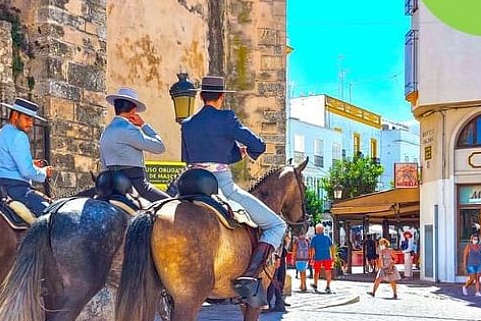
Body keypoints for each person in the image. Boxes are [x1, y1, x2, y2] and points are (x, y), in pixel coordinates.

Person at [181, 75, 286, 302]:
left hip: (190, 184)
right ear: (220, 98)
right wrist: (250, 151)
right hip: (221, 185)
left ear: (200, 96)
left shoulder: (187, 124)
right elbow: (258, 144)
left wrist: (235, 153)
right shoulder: (227, 118)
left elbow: (187, 157)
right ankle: (249, 276)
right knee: (277, 224)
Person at [0, 97, 53, 217]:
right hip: (16, 191)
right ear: (15, 115)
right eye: (27, 119)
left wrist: (31, 163)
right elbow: (27, 171)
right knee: (52, 215)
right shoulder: (19, 136)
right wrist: (43, 172)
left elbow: (5, 163)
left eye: (32, 120)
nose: (31, 124)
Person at [99, 87, 169, 202]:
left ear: (116, 107)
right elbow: (159, 147)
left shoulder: (106, 132)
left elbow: (104, 162)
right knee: (172, 204)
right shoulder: (129, 129)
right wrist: (143, 125)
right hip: (135, 184)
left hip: (108, 183)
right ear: (133, 111)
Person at [309, 223, 335, 293]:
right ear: (323, 230)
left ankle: (315, 284)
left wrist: (311, 258)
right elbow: (332, 247)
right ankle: (328, 286)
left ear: (316, 230)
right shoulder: (327, 237)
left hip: (318, 257)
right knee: (328, 271)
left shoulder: (314, 238)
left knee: (316, 272)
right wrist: (333, 257)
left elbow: (312, 249)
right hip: (327, 257)